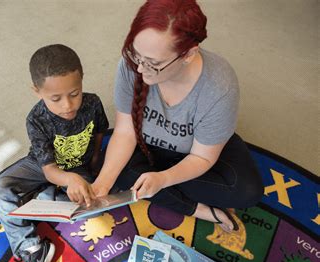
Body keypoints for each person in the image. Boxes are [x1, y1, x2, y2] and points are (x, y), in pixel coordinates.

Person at [92, 0, 263, 233]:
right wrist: (102, 184)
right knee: (107, 168)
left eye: (154, 63)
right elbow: (125, 131)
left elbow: (202, 157)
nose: (140, 69)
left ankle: (162, 191)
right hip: (144, 146)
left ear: (188, 54)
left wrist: (163, 179)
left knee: (247, 191)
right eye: (136, 54)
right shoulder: (132, 64)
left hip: (194, 153)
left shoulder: (219, 87)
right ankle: (200, 210)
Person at [0, 44, 109, 262]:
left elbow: (99, 133)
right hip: (44, 167)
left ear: (82, 80)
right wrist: (69, 179)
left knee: (94, 210)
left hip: (81, 166)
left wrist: (96, 163)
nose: (67, 105)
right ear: (37, 91)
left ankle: (42, 198)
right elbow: (50, 170)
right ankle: (32, 248)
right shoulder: (36, 119)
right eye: (56, 98)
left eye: (75, 93)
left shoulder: (93, 103)